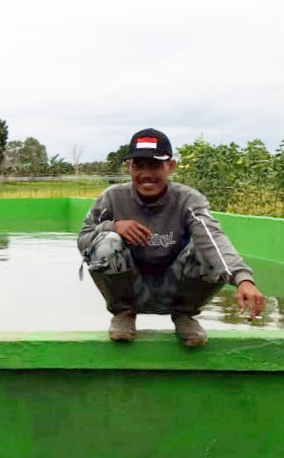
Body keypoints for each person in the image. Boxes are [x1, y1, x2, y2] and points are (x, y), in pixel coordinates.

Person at [78, 128, 265, 347]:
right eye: (139, 165)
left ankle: (184, 316)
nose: (146, 174)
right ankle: (124, 313)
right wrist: (113, 226)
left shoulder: (188, 200)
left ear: (171, 166)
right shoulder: (112, 198)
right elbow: (84, 239)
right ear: (128, 167)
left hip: (175, 287)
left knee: (205, 250)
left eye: (155, 165)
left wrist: (243, 279)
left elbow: (213, 237)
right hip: (131, 289)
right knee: (106, 242)